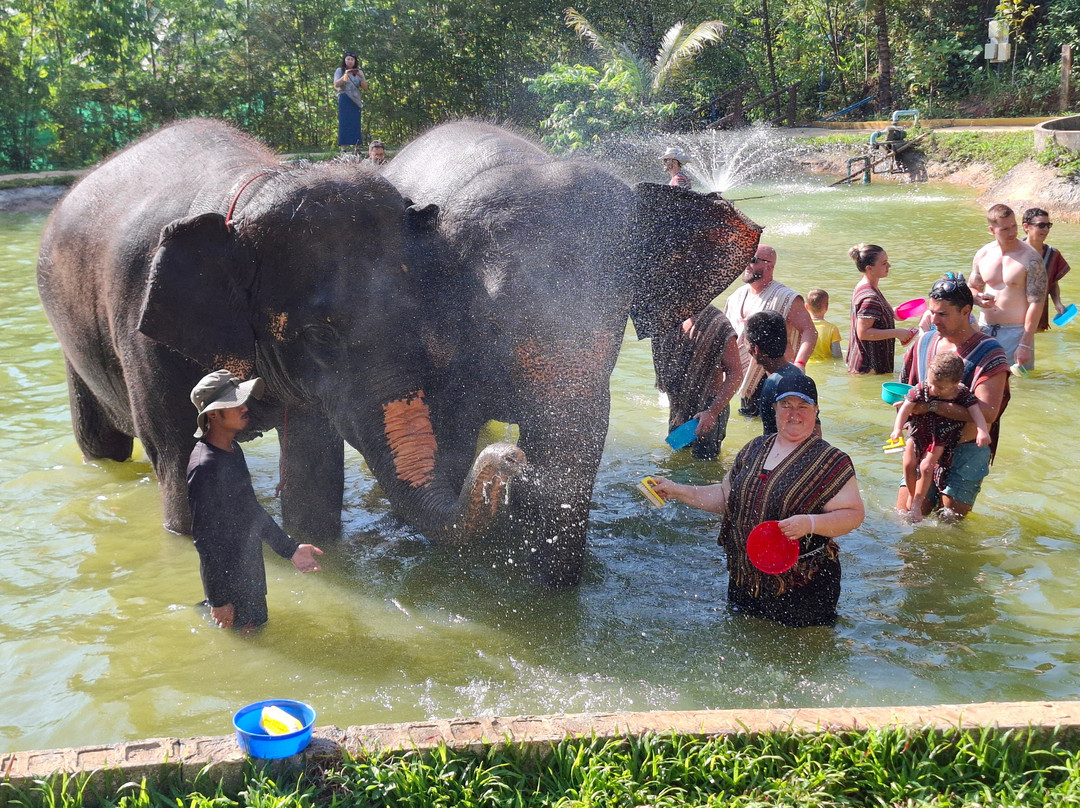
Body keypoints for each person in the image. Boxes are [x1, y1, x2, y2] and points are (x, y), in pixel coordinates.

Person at [651, 374, 865, 627]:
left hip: (804, 586)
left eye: (803, 406)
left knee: (799, 657)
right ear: (774, 408)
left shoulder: (831, 461)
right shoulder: (754, 448)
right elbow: (725, 497)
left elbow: (853, 515)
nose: (793, 413)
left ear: (816, 410)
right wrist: (677, 491)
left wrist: (809, 523)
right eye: (786, 405)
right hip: (746, 577)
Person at [187, 370, 323, 631]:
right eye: (235, 403)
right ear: (214, 414)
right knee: (247, 640)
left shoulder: (231, 449)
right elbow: (204, 539)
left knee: (258, 630)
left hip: (248, 571)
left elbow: (250, 510)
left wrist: (290, 549)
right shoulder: (205, 467)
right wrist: (219, 600)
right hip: (231, 582)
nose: (245, 407)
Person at [897, 274, 1010, 519]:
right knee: (905, 519)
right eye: (932, 312)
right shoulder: (924, 342)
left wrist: (931, 407)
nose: (934, 320)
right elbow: (906, 389)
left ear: (966, 311)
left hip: (965, 452)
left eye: (943, 314)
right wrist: (904, 410)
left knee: (949, 528)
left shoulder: (989, 352)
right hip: (924, 445)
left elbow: (989, 412)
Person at [891, 352, 991, 523]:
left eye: (940, 388)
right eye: (931, 384)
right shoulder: (923, 388)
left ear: (955, 383)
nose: (933, 390)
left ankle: (917, 502)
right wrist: (897, 429)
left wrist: (982, 431)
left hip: (940, 437)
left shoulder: (962, 394)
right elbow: (906, 407)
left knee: (926, 467)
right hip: (918, 432)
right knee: (908, 463)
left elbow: (976, 411)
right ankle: (912, 495)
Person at [723, 244, 818, 416]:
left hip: (774, 376)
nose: (746, 264)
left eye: (752, 260)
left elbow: (810, 331)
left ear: (769, 266)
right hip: (743, 380)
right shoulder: (735, 297)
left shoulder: (786, 297)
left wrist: (800, 364)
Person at [652, 304, 743, 460]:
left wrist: (712, 412)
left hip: (709, 407)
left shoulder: (718, 324)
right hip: (678, 408)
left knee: (705, 468)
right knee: (676, 463)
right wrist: (677, 412)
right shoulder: (665, 319)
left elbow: (736, 373)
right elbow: (665, 369)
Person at [970, 203, 1047, 369]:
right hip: (984, 329)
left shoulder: (1030, 258)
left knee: (1017, 387)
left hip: (1017, 333)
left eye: (1014, 226)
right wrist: (978, 299)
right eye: (1005, 229)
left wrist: (1025, 343)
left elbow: (1037, 303)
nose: (1012, 232)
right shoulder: (983, 254)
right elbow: (973, 288)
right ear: (992, 230)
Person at [846, 243, 918, 375]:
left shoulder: (864, 286)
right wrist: (897, 333)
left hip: (862, 364)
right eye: (884, 263)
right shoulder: (870, 297)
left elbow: (872, 315)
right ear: (869, 268)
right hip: (870, 369)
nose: (889, 266)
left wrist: (892, 313)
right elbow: (863, 332)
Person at [745, 310, 813, 437]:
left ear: (756, 349)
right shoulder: (797, 373)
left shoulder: (772, 384)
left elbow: (771, 438)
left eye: (747, 343)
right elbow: (815, 428)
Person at [1021, 207, 1070, 332]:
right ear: (1026, 227)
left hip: (1039, 316)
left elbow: (1053, 283)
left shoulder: (1053, 254)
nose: (1046, 230)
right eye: (1041, 225)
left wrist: (1058, 303)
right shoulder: (1014, 252)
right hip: (1014, 317)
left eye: (1048, 225)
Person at [333, 52, 368, 150]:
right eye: (348, 59)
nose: (350, 61)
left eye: (352, 59)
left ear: (355, 61)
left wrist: (361, 76)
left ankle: (357, 147)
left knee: (355, 124)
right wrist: (346, 75)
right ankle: (343, 148)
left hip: (356, 100)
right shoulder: (340, 70)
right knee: (344, 123)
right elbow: (336, 84)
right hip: (345, 99)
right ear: (344, 60)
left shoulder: (359, 72)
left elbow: (365, 87)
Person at [806, 288, 842, 361]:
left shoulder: (803, 327)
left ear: (806, 307)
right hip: (826, 364)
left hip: (807, 365)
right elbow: (837, 355)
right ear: (826, 307)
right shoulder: (832, 329)